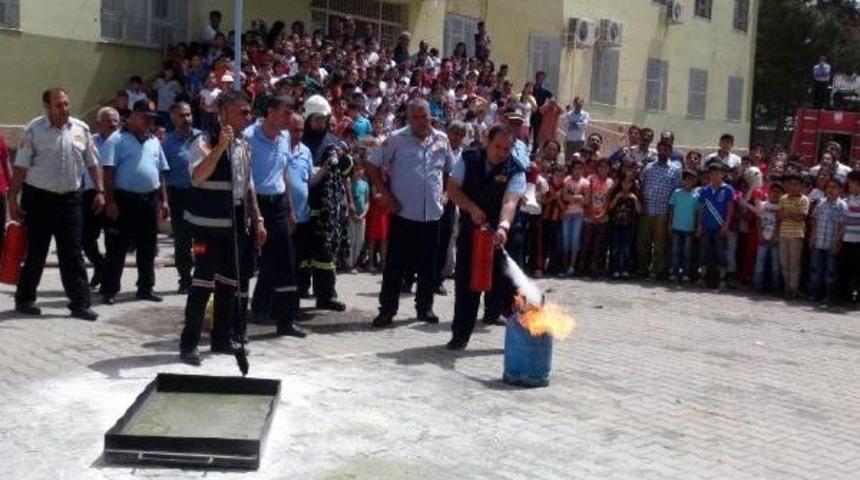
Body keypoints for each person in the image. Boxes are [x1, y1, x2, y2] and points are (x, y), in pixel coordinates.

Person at [179, 90, 266, 365]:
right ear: (224, 113)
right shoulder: (204, 140)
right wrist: (219, 147)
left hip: (235, 224)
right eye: (242, 112)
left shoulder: (244, 144)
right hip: (206, 225)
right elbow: (198, 175)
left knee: (229, 283)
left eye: (249, 112)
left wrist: (258, 218)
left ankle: (222, 338)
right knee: (202, 282)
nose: (248, 117)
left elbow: (247, 185)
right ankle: (189, 344)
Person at [9, 88, 103, 320]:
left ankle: (80, 303)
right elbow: (20, 167)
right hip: (38, 199)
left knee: (72, 252)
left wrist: (100, 191)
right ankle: (25, 299)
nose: (64, 109)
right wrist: (13, 199)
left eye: (66, 104)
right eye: (59, 105)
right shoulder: (34, 130)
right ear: (47, 107)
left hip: (71, 200)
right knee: (36, 252)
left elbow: (92, 163)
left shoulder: (81, 129)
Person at [366, 98, 453, 328]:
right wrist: (387, 196)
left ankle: (425, 308)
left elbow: (450, 171)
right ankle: (387, 310)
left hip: (432, 215)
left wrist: (445, 194)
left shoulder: (441, 139)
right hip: (403, 214)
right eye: (416, 117)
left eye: (425, 116)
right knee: (395, 266)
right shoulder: (396, 139)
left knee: (429, 266)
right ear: (408, 118)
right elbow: (372, 165)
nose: (422, 121)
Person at [446, 124, 525, 350]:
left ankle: (522, 337)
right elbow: (453, 189)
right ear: (487, 141)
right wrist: (472, 209)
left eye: (507, 149)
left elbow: (510, 201)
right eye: (497, 146)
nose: (501, 153)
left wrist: (503, 226)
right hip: (472, 232)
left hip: (505, 236)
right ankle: (460, 336)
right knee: (466, 286)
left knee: (512, 289)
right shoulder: (468, 158)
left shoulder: (516, 169)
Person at [244, 96, 305, 338]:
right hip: (253, 204)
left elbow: (284, 173)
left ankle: (285, 321)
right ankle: (238, 323)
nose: (290, 118)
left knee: (285, 262)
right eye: (285, 112)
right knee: (247, 263)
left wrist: (290, 209)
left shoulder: (284, 137)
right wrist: (256, 215)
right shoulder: (249, 136)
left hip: (278, 204)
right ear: (270, 111)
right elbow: (246, 178)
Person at [100, 100, 170, 305]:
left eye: (151, 118)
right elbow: (108, 173)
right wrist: (110, 202)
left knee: (148, 246)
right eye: (144, 116)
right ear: (132, 116)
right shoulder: (116, 140)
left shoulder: (154, 141)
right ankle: (110, 289)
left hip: (149, 200)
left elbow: (160, 173)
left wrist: (164, 201)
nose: (148, 121)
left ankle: (145, 288)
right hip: (124, 200)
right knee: (117, 248)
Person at [301, 95, 352, 312]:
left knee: (325, 255)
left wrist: (343, 159)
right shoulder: (299, 141)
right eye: (317, 119)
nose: (321, 124)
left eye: (324, 119)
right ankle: (297, 293)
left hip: (326, 210)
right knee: (301, 255)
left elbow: (347, 171)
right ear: (307, 119)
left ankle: (326, 295)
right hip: (303, 208)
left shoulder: (334, 142)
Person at [161, 102, 201, 293]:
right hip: (179, 196)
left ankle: (201, 275)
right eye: (181, 116)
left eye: (188, 115)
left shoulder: (203, 138)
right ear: (173, 118)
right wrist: (164, 200)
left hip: (201, 195)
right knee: (183, 241)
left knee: (201, 239)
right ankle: (185, 278)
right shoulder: (167, 143)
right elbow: (162, 174)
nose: (186, 119)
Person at [83, 107, 121, 290]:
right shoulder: (90, 141)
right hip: (92, 194)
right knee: (85, 237)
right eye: (108, 120)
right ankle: (100, 265)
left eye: (115, 120)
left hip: (115, 194)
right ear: (99, 123)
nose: (112, 124)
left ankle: (109, 282)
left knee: (113, 240)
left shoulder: (123, 140)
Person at [637, 140, 681, 279]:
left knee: (660, 244)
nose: (662, 152)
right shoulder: (649, 167)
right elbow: (641, 185)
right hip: (647, 209)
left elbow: (676, 192)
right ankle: (642, 269)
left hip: (663, 211)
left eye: (666, 150)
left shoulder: (675, 170)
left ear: (670, 151)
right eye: (660, 149)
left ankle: (656, 271)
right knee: (643, 241)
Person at [808, 177, 847, 303]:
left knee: (830, 273)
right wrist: (812, 237)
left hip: (832, 244)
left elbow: (842, 226)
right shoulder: (821, 203)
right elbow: (815, 221)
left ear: (840, 190)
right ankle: (816, 294)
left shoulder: (842, 206)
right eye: (829, 187)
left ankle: (829, 296)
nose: (831, 190)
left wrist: (838, 243)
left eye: (834, 187)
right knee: (816, 271)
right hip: (819, 243)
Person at [697, 162, 735, 290]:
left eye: (718, 173)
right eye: (712, 174)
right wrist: (699, 225)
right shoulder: (704, 190)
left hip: (720, 226)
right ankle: (702, 278)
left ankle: (722, 279)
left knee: (721, 253)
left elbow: (730, 209)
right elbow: (701, 209)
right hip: (706, 226)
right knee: (703, 252)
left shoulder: (728, 189)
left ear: (723, 174)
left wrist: (726, 225)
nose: (715, 176)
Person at [778, 172, 809, 300]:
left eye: (796, 184)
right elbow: (780, 215)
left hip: (796, 235)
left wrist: (789, 214)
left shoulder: (804, 199)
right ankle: (787, 287)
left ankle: (794, 288)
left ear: (801, 186)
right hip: (783, 233)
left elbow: (801, 216)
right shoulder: (783, 198)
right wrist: (792, 214)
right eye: (791, 184)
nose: (793, 187)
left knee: (794, 264)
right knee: (784, 262)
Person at [579, 157, 613, 277]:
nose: (603, 169)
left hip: (603, 216)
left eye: (606, 167)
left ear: (609, 169)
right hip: (589, 215)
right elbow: (588, 197)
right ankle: (582, 266)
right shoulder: (591, 179)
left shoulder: (610, 182)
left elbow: (608, 200)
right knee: (586, 241)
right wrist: (591, 213)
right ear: (597, 168)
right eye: (600, 166)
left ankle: (594, 266)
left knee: (598, 243)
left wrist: (602, 214)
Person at [668, 170, 700, 282]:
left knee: (687, 253)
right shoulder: (676, 193)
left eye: (691, 180)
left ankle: (686, 273)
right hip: (676, 227)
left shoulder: (697, 195)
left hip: (689, 229)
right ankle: (674, 272)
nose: (688, 182)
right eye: (686, 180)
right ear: (682, 181)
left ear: (694, 182)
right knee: (675, 252)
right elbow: (671, 209)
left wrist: (697, 226)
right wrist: (669, 224)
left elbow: (698, 213)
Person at [607, 172, 639, 279]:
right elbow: (610, 208)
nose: (626, 185)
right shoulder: (617, 193)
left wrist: (635, 199)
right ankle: (615, 269)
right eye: (624, 182)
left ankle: (626, 269)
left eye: (629, 183)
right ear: (621, 183)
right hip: (616, 224)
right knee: (615, 247)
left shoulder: (634, 195)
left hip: (628, 225)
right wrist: (617, 197)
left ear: (632, 184)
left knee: (626, 248)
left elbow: (640, 210)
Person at [753, 182, 784, 292]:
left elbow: (779, 223)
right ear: (769, 192)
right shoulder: (762, 205)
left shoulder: (781, 207)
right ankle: (757, 286)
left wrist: (774, 237)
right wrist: (760, 235)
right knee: (759, 264)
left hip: (775, 240)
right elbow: (758, 221)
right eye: (773, 191)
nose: (775, 194)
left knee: (776, 266)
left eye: (778, 192)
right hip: (763, 238)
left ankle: (776, 287)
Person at [560, 158, 588, 276]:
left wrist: (573, 198)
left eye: (580, 168)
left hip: (578, 214)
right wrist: (578, 198)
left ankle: (572, 266)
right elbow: (564, 196)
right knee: (565, 239)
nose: (577, 171)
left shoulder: (585, 182)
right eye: (575, 168)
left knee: (575, 239)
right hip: (567, 213)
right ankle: (564, 264)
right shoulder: (567, 180)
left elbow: (586, 201)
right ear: (572, 169)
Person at [840, 171, 860, 303]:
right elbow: (845, 221)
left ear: (856, 182)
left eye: (850, 182)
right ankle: (845, 296)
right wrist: (840, 238)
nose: (848, 185)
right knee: (846, 269)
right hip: (847, 240)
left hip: (859, 242)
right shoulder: (848, 200)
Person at [347, 162, 369, 272]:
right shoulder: (349, 184)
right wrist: (352, 214)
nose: (358, 172)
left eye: (361, 169)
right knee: (352, 240)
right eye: (356, 170)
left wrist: (363, 214)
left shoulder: (365, 184)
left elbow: (367, 201)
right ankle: (350, 264)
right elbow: (347, 200)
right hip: (351, 217)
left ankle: (356, 262)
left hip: (362, 217)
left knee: (360, 241)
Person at [564, 96, 589, 162]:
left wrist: (573, 123)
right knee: (568, 159)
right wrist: (578, 123)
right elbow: (567, 125)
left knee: (578, 160)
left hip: (579, 140)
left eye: (580, 103)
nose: (579, 105)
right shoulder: (569, 114)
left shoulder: (585, 114)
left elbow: (584, 125)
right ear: (574, 103)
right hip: (570, 140)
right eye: (577, 103)